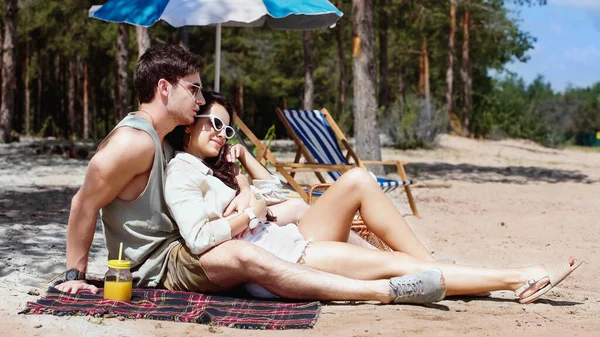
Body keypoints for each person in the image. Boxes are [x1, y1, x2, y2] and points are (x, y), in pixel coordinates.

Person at [55, 43, 444, 305]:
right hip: (157, 265)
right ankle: (381, 289)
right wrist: (76, 273)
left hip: (177, 250)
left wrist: (242, 184)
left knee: (287, 213)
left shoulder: (163, 139)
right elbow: (83, 203)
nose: (201, 99)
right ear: (163, 88)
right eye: (193, 89)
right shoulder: (133, 142)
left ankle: (411, 270)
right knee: (246, 251)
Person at [164, 90, 583, 305]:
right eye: (213, 125)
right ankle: (519, 279)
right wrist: (250, 208)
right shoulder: (182, 170)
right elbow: (205, 236)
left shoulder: (219, 169)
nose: (222, 134)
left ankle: (439, 268)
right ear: (187, 127)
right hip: (287, 257)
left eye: (227, 128)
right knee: (399, 268)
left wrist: (244, 176)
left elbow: (280, 196)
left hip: (287, 236)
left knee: (359, 180)